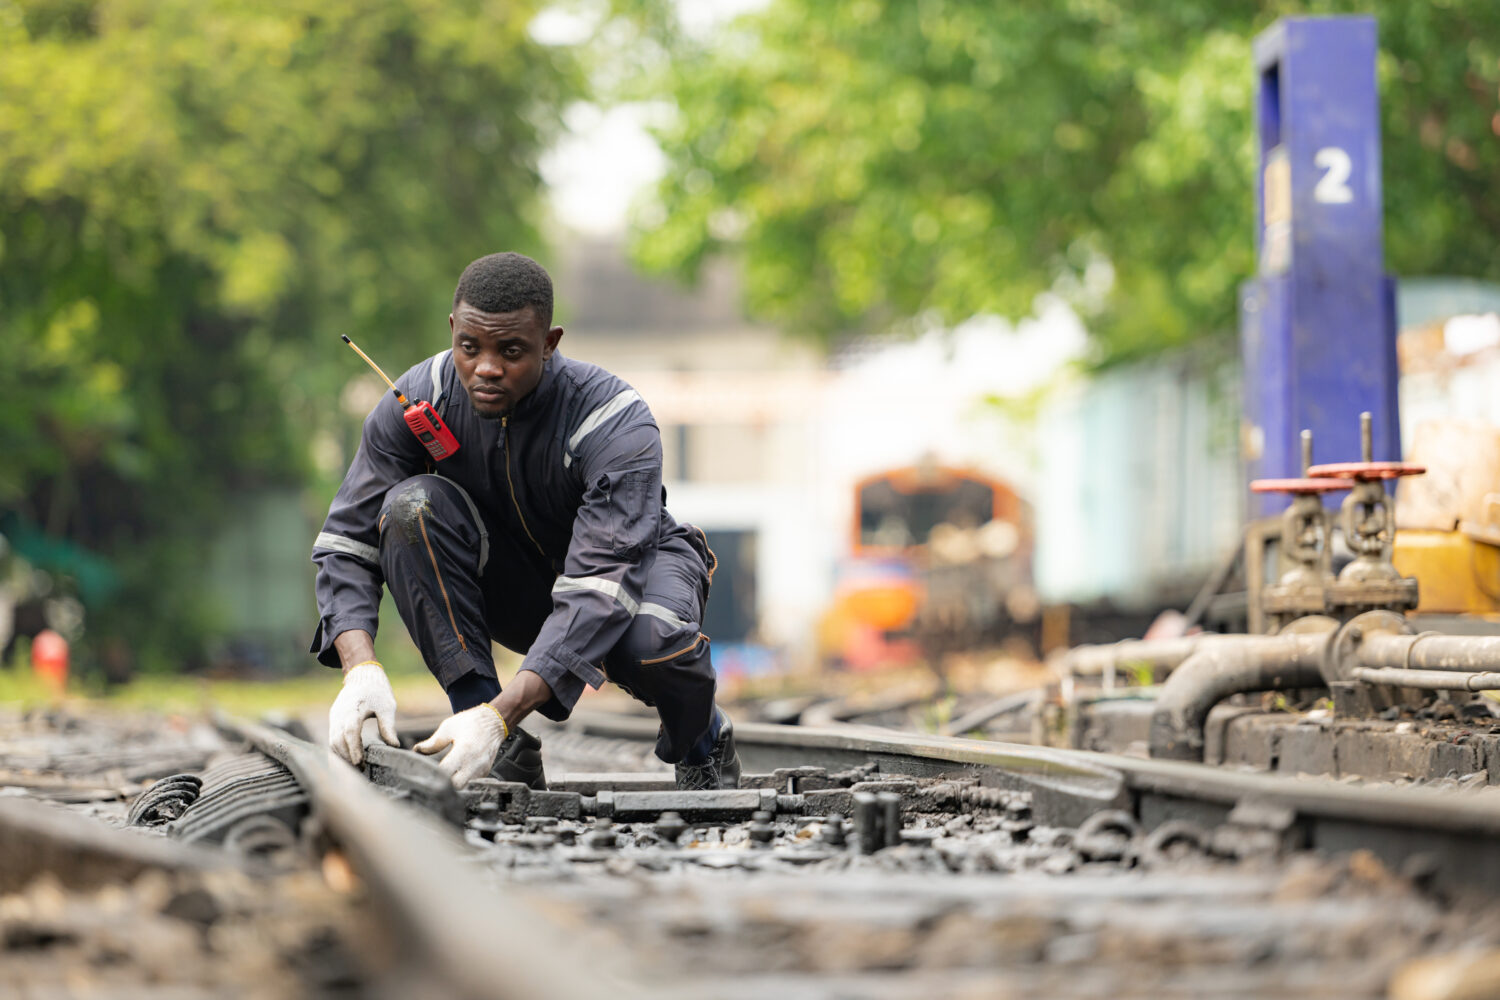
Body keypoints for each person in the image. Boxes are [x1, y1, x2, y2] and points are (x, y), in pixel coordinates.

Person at [310, 251, 740, 791]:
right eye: (470, 347)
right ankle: (499, 746)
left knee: (653, 647)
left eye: (511, 351)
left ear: (550, 342)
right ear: (452, 331)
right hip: (517, 579)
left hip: (630, 574)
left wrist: (501, 713)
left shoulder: (613, 420)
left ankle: (702, 741)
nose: (486, 367)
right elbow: (347, 541)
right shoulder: (418, 401)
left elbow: (601, 589)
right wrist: (361, 670)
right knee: (408, 508)